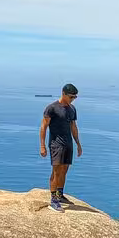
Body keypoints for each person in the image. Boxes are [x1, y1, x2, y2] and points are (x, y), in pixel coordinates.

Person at [39, 83, 82, 212]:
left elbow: (73, 127)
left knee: (64, 170)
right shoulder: (51, 108)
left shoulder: (72, 109)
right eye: (71, 97)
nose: (73, 99)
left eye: (75, 97)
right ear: (63, 94)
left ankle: (60, 194)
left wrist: (78, 143)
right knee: (56, 171)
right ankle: (53, 200)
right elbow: (43, 127)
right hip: (56, 144)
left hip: (68, 143)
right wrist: (42, 145)